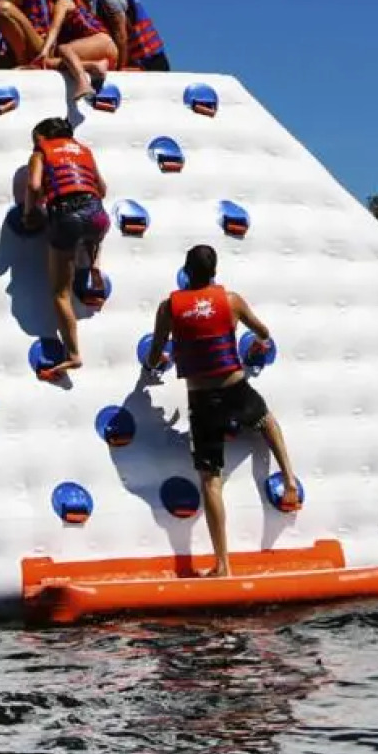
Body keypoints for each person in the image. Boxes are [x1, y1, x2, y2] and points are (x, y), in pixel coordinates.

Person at [144, 245, 302, 578]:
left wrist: (156, 361)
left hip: (203, 400)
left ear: (186, 272)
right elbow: (263, 332)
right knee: (265, 421)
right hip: (235, 388)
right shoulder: (231, 301)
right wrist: (259, 343)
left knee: (210, 480)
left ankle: (223, 564)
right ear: (214, 272)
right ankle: (289, 478)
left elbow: (157, 350)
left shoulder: (169, 308)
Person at [24, 117, 111, 379]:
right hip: (97, 215)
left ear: (41, 137)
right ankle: (94, 264)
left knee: (60, 293)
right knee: (95, 229)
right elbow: (102, 189)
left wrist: (30, 211)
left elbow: (34, 185)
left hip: (66, 217)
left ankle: (73, 354)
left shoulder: (41, 151)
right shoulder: (84, 150)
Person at [36, 0, 119, 101]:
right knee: (48, 63)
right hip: (106, 51)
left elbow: (55, 28)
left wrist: (44, 50)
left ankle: (83, 82)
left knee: (63, 49)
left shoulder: (63, 1)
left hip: (101, 42)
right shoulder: (82, 3)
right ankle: (93, 66)